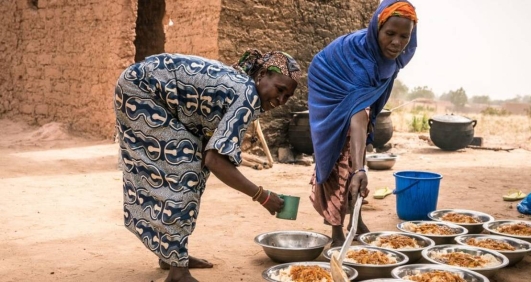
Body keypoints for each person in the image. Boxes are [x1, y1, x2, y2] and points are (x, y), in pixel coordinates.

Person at [114, 50, 300, 282]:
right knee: (183, 175)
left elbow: (209, 154)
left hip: (148, 90)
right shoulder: (247, 95)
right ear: (262, 75)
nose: (281, 100)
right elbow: (215, 160)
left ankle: (172, 254)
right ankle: (177, 271)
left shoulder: (248, 91)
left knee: (195, 170)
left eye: (287, 96)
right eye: (280, 90)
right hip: (142, 91)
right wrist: (262, 196)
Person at [307, 0, 418, 247]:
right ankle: (337, 230)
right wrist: (359, 170)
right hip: (329, 83)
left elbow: (365, 113)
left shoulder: (389, 58)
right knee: (340, 157)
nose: (397, 42)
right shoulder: (361, 58)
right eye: (389, 34)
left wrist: (361, 168)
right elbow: (357, 116)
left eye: (404, 36)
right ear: (376, 29)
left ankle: (356, 219)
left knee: (357, 156)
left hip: (357, 100)